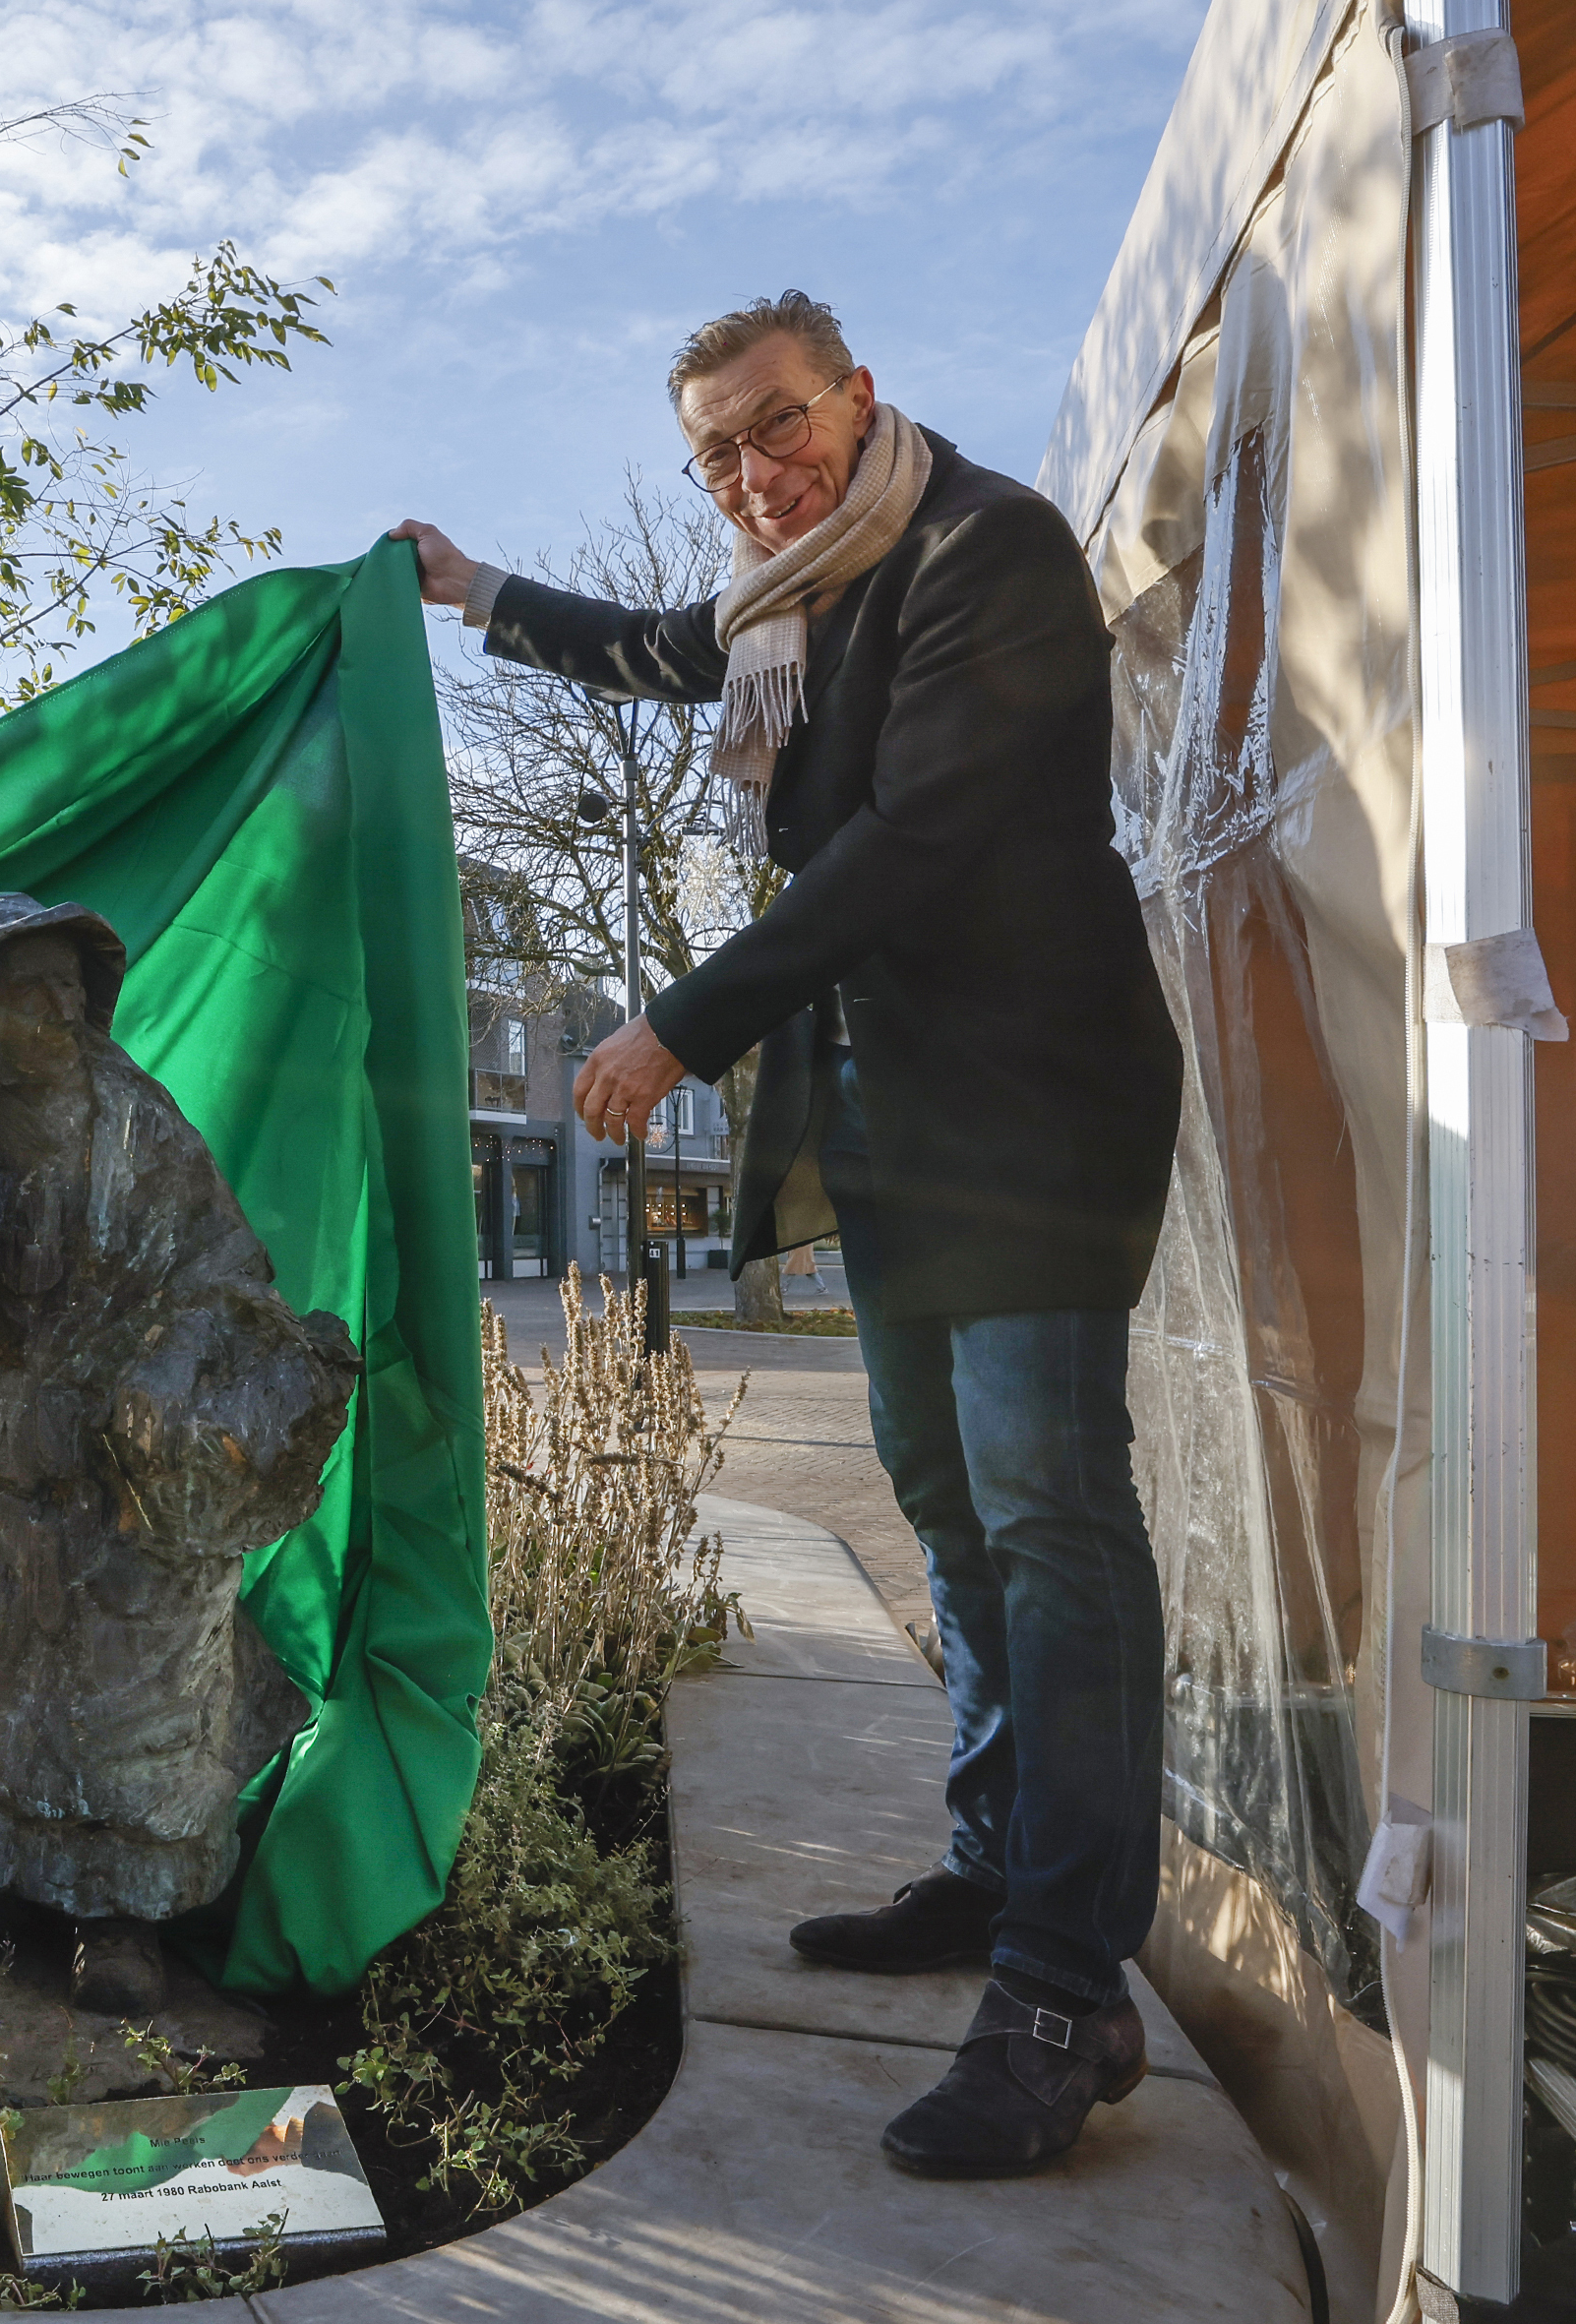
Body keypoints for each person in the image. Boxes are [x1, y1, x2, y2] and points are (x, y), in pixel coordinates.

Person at [392, 291, 1182, 2179]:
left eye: (776, 427)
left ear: (858, 395)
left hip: (1035, 1114)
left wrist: (679, 1023)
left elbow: (908, 843)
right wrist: (468, 584)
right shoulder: (788, 599)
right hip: (906, 1132)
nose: (752, 475)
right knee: (948, 1509)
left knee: (1053, 1524)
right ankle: (996, 1875)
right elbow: (656, 644)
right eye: (716, 454)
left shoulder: (984, 550)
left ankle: (1068, 1991)